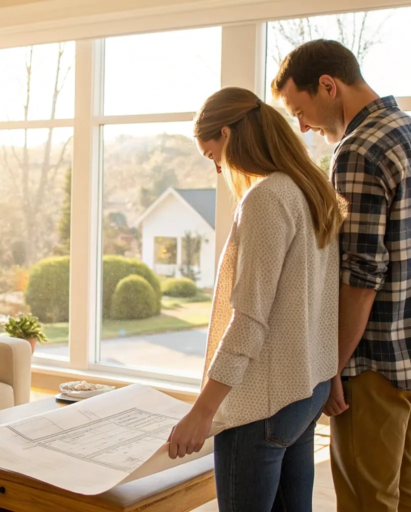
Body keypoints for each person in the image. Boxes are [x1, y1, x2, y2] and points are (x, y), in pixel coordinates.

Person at [271, 40, 411, 512]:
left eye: (302, 111)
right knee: (409, 491)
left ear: (328, 86)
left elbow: (360, 275)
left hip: (374, 357)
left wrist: (332, 367)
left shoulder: (357, 150)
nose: (304, 127)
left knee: (366, 499)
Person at [166, 86, 345, 512]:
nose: (217, 170)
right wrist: (330, 373)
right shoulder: (312, 188)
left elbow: (249, 320)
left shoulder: (267, 198)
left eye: (213, 157)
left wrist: (202, 412)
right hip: (307, 389)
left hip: (263, 403)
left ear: (227, 134)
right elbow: (323, 300)